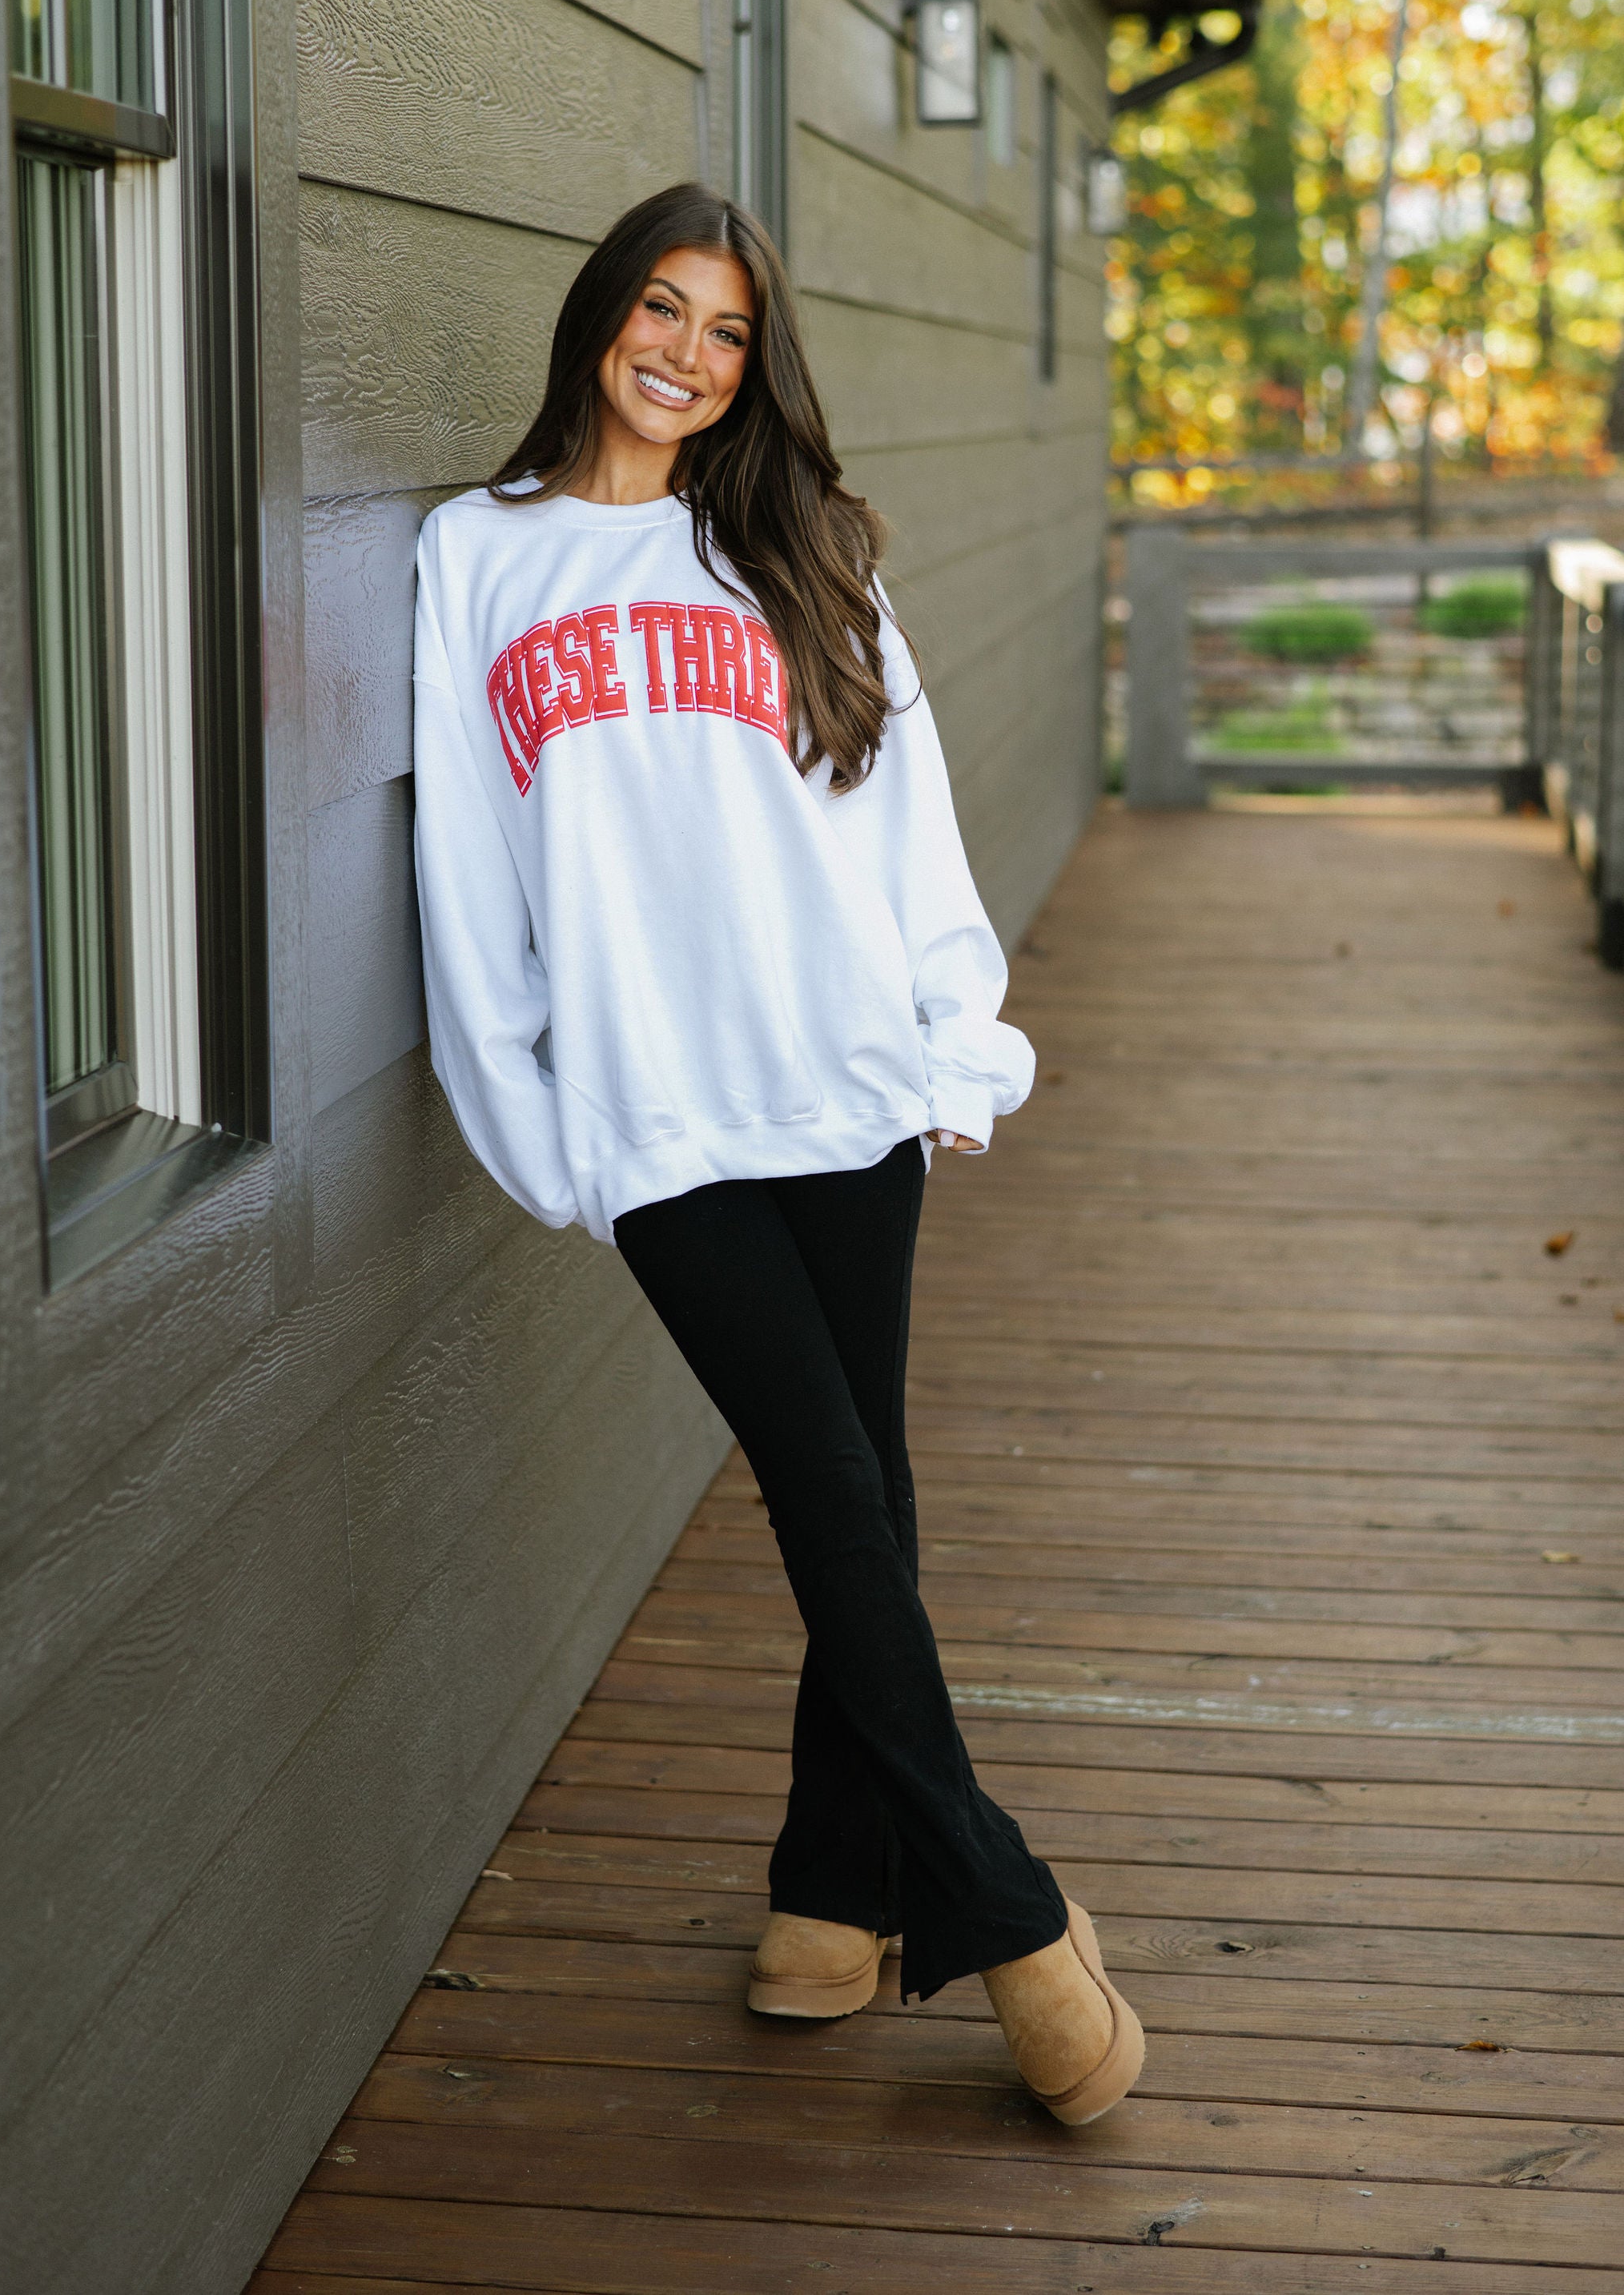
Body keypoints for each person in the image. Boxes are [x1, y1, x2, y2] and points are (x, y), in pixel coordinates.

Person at [411, 182, 1144, 2126]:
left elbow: (903, 820)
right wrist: (541, 1122)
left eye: (725, 332)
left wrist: (949, 1045)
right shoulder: (473, 560)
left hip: (841, 1081)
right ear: (597, 318)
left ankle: (835, 1902)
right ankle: (1004, 1910)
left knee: (859, 1498)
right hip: (657, 1111)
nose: (685, 354)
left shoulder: (796, 544)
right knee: (827, 1487)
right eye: (659, 309)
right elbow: (468, 879)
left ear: (754, 365)